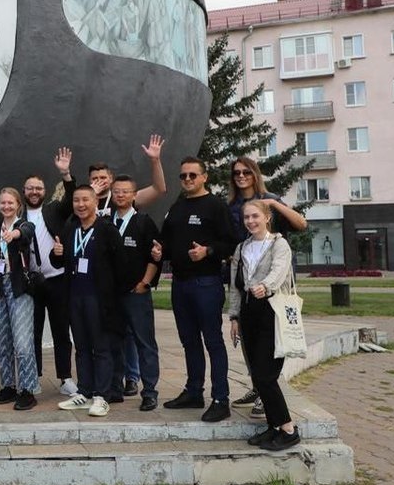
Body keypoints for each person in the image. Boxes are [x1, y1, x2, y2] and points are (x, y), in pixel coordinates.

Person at [225, 156, 307, 419]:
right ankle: (258, 387)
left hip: (271, 283)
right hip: (245, 278)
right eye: (236, 172)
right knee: (251, 347)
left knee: (268, 349)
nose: (240, 176)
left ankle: (269, 398)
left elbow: (301, 224)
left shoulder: (269, 199)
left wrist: (273, 204)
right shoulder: (231, 206)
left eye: (246, 171)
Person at [160, 156, 238, 422]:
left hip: (206, 283)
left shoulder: (215, 206)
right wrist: (160, 250)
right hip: (180, 284)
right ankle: (194, 392)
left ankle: (220, 398)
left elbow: (231, 243)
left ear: (204, 177)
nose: (188, 180)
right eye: (183, 176)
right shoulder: (178, 206)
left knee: (213, 341)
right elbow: (168, 243)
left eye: (193, 175)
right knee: (189, 341)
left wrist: (208, 251)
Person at [227, 200, 300, 451]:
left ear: (267, 217)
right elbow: (235, 286)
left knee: (267, 375)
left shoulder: (279, 244)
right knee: (258, 375)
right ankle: (273, 427)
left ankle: (288, 429)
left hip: (272, 311)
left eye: (255, 216)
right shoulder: (242, 248)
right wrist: (234, 317)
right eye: (246, 217)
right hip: (249, 312)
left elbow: (279, 273)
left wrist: (265, 286)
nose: (250, 221)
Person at [52, 185, 126, 417]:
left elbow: (120, 265)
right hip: (75, 296)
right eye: (76, 200)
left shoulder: (106, 229)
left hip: (99, 298)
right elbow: (58, 262)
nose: (80, 205)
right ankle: (84, 391)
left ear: (95, 202)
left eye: (85, 200)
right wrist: (56, 253)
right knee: (82, 347)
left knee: (101, 347)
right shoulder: (70, 227)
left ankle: (102, 396)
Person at [22, 147, 77, 397]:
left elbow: (70, 200)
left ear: (44, 191)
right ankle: (33, 377)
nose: (34, 192)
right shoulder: (17, 215)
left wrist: (66, 174)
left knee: (60, 331)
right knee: (31, 332)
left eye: (38, 188)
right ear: (24, 192)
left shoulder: (54, 209)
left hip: (56, 279)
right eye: (30, 188)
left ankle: (65, 377)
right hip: (30, 283)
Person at [0, 187, 39, 410]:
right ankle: (9, 386)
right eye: (3, 203)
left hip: (19, 288)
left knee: (22, 343)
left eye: (10, 203)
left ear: (18, 205)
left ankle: (28, 389)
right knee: (1, 343)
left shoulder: (24, 225)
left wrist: (13, 234)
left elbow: (25, 233)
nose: (6, 207)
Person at [108, 176, 163, 411]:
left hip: (136, 293)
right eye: (116, 192)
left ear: (133, 195)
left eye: (125, 192)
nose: (120, 195)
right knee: (114, 342)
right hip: (111, 295)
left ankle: (149, 391)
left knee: (144, 342)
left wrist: (145, 283)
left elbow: (154, 255)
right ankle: (115, 387)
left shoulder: (144, 222)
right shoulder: (104, 222)